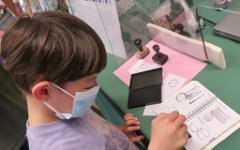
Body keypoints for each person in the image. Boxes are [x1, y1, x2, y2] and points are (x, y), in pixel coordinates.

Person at [0, 11, 188, 150]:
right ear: (44, 91)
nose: (94, 88)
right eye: (89, 84)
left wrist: (118, 132)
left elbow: (90, 131)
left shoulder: (61, 107)